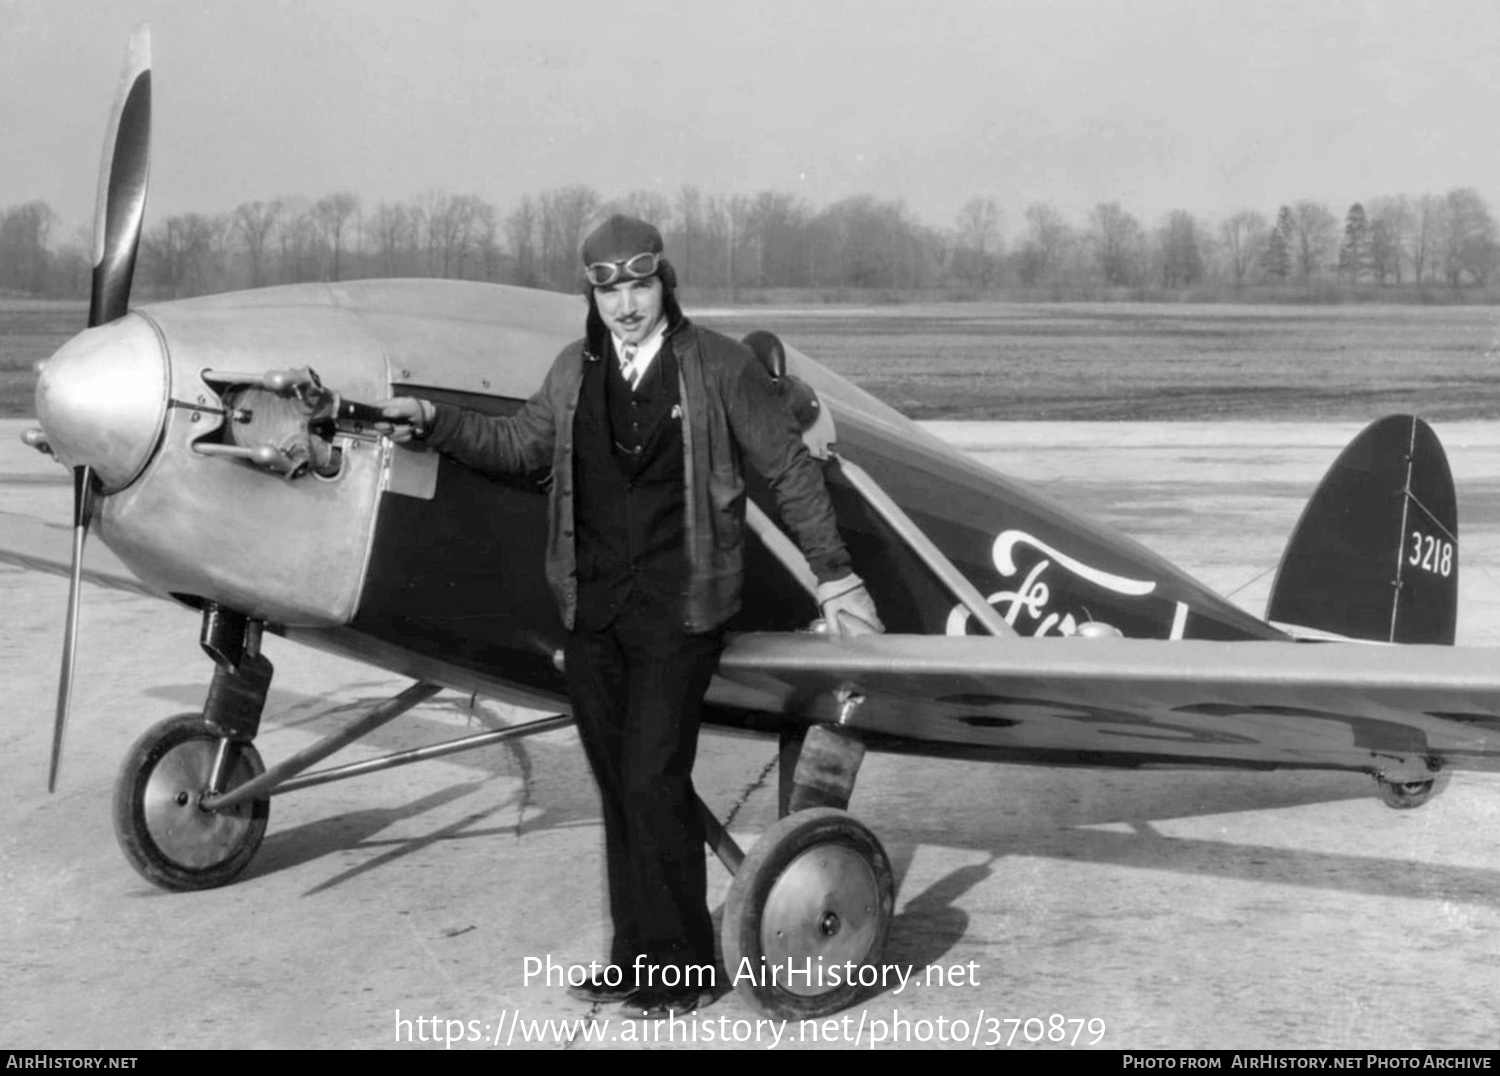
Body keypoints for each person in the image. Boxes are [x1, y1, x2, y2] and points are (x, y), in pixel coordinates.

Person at [378, 214, 881, 1019]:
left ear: (664, 284)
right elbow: (519, 446)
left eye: (639, 285)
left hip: (682, 611)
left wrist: (836, 577)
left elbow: (788, 469)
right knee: (620, 787)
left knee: (653, 775)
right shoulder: (573, 372)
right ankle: (635, 959)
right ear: (592, 296)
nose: (626, 306)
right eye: (607, 290)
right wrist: (436, 422)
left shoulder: (717, 367)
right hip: (593, 611)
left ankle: (682, 968)